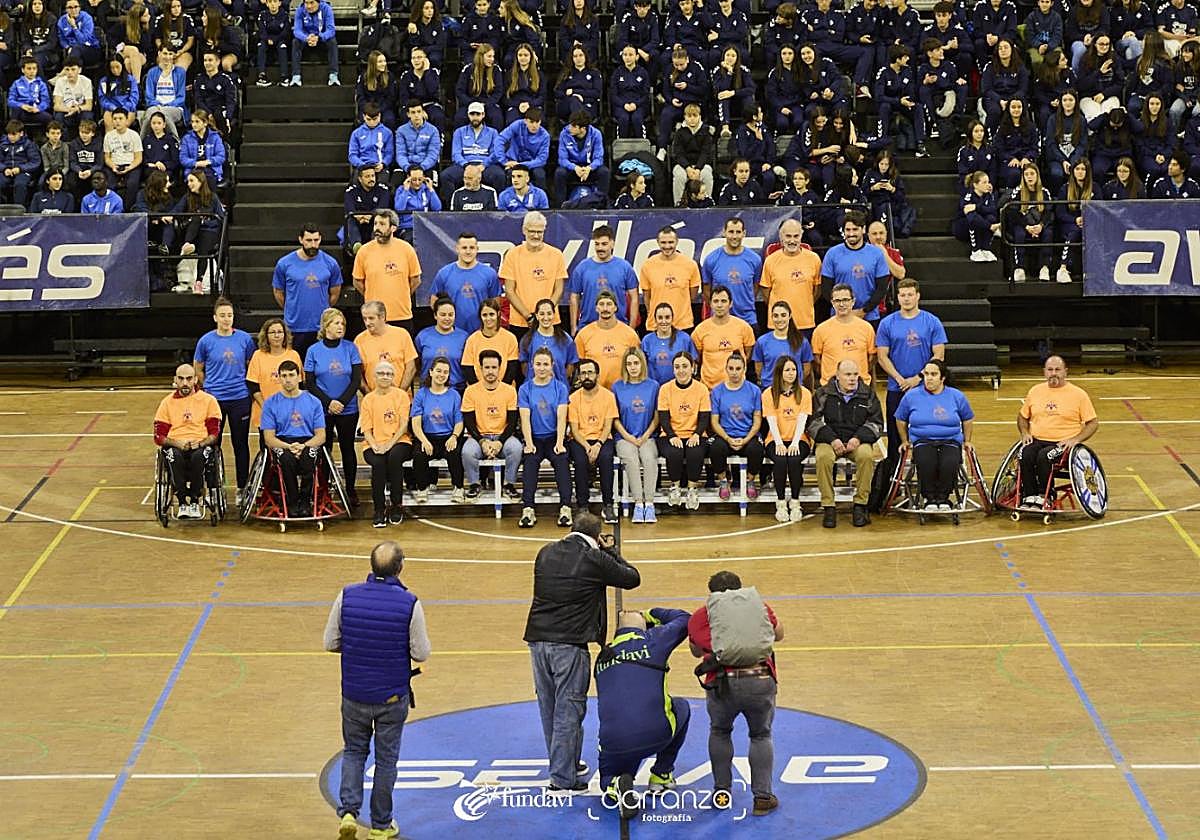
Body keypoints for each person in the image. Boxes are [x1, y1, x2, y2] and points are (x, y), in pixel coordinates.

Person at [523, 511, 641, 791]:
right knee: (569, 709)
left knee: (550, 708)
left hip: (537, 639)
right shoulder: (593, 558)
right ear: (596, 536)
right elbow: (631, 578)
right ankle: (562, 779)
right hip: (570, 643)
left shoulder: (545, 552)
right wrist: (610, 551)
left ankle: (567, 763)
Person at [324, 541, 431, 840]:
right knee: (386, 761)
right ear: (400, 567)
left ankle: (348, 812)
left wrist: (358, 648)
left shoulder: (347, 595)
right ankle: (381, 825)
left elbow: (330, 642)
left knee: (354, 751)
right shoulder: (410, 603)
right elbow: (421, 652)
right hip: (391, 696)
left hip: (354, 693)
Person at [687, 570, 784, 816]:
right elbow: (779, 634)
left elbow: (696, 652)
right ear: (740, 590)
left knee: (720, 732)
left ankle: (722, 791)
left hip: (723, 685)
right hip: (760, 679)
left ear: (712, 594)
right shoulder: (759, 607)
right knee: (761, 735)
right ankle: (762, 797)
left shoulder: (702, 615)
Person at [595, 607, 692, 813]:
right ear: (645, 626)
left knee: (606, 778)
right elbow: (685, 619)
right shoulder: (654, 640)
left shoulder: (602, 658)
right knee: (681, 706)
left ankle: (614, 784)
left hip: (614, 744)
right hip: (656, 735)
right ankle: (661, 774)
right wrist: (650, 614)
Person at [875, 278, 947, 459]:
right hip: (897, 387)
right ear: (898, 297)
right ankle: (894, 473)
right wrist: (900, 379)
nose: (906, 298)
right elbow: (882, 356)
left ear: (918, 296)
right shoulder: (887, 323)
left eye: (910, 294)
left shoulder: (932, 321)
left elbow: (939, 355)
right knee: (894, 437)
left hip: (925, 387)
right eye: (902, 295)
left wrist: (918, 378)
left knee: (926, 433)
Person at [194, 297, 256, 504]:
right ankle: (213, 489)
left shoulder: (245, 339)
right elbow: (198, 368)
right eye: (222, 315)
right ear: (215, 318)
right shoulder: (206, 341)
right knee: (213, 445)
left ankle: (242, 488)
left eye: (229, 315)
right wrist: (209, 388)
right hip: (214, 401)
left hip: (240, 399)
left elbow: (251, 365)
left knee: (241, 444)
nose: (226, 319)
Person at [808, 358, 883, 527]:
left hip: (857, 441)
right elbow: (813, 423)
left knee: (866, 456)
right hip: (830, 440)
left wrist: (858, 438)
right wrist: (832, 439)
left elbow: (876, 423)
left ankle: (860, 505)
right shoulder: (823, 394)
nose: (852, 378)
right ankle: (828, 506)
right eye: (848, 374)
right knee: (823, 457)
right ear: (837, 375)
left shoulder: (868, 394)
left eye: (855, 374)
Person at [1016, 355, 1099, 504]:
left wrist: (1075, 440)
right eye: (1050, 370)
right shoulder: (1035, 391)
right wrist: (1025, 432)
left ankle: (1046, 495)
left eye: (1057, 369)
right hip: (1037, 440)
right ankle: (1030, 495)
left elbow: (1093, 423)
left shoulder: (1078, 394)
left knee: (1044, 456)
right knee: (1024, 453)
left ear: (1065, 371)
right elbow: (1022, 417)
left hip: (1062, 444)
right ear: (1044, 372)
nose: (1053, 373)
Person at [894, 358, 975, 510]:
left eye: (933, 374)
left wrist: (967, 441)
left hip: (950, 440)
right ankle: (930, 498)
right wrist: (904, 440)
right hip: (923, 440)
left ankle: (943, 498)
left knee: (949, 463)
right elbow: (900, 419)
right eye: (926, 374)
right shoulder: (911, 396)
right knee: (926, 461)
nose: (929, 378)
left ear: (942, 378)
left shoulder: (956, 396)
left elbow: (968, 418)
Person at [306, 307, 365, 508]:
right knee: (324, 449)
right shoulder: (313, 350)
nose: (341, 327)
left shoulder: (351, 348)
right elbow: (310, 383)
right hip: (322, 410)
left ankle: (350, 489)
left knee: (348, 448)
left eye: (343, 324)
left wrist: (341, 402)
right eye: (336, 323)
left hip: (348, 409)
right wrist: (328, 403)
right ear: (326, 326)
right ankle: (323, 490)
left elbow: (356, 379)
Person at [153, 363, 221, 519]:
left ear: (195, 380)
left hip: (200, 444)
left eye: (189, 379)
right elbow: (158, 436)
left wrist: (201, 443)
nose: (185, 383)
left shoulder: (209, 401)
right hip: (175, 445)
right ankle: (182, 501)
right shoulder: (166, 403)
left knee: (199, 457)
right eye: (181, 379)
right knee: (173, 456)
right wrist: (176, 443)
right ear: (175, 380)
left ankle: (195, 500)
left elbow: (214, 433)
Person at [260, 359, 326, 516]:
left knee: (309, 457)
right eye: (284, 376)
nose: (288, 379)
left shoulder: (314, 402)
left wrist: (303, 446)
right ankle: (292, 501)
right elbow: (268, 438)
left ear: (299, 377)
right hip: (283, 441)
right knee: (286, 459)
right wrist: (289, 447)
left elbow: (321, 435)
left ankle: (305, 501)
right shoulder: (270, 403)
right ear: (279, 378)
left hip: (307, 440)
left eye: (291, 375)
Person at [517, 347, 573, 527]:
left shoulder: (560, 387)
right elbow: (525, 418)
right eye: (538, 364)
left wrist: (560, 442)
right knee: (530, 461)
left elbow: (562, 417)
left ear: (552, 365)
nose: (542, 368)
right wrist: (528, 443)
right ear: (532, 365)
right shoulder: (525, 389)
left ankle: (565, 508)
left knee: (561, 459)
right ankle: (528, 509)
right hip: (534, 437)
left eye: (545, 364)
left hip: (554, 436)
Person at [272, 225, 344, 358]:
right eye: (309, 240)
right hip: (294, 327)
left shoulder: (331, 263)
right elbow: (278, 292)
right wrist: (291, 308)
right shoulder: (284, 263)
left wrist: (324, 310)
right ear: (301, 240)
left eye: (316, 240)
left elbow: (335, 292)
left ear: (320, 239)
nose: (313, 245)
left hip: (321, 327)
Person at [461, 349, 522, 499]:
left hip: (503, 436)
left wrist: (500, 442)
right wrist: (482, 441)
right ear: (480, 368)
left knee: (516, 448)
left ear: (500, 368)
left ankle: (509, 484)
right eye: (487, 367)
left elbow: (512, 422)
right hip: (479, 437)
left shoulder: (510, 391)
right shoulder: (470, 391)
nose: (490, 371)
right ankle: (475, 484)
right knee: (467, 452)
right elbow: (469, 422)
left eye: (494, 367)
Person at [359, 361, 414, 526]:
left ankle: (396, 505)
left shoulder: (401, 396)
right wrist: (375, 445)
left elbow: (404, 425)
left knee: (394, 457)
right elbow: (366, 429)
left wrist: (389, 444)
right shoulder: (368, 399)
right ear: (374, 376)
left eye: (389, 374)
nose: (385, 377)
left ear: (393, 377)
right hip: (374, 443)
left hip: (399, 441)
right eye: (381, 373)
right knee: (378, 463)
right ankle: (379, 509)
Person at [352, 209, 423, 331]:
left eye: (382, 224)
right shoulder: (364, 251)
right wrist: (371, 295)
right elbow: (357, 282)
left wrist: (401, 294)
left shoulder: (407, 249)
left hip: (401, 315)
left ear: (393, 228)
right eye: (375, 223)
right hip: (373, 317)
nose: (377, 228)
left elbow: (416, 280)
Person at [499, 210, 568, 335]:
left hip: (550, 321)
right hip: (520, 322)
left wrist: (545, 314)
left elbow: (559, 289)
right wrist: (528, 316)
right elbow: (509, 290)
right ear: (524, 230)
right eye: (532, 231)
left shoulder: (556, 254)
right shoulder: (512, 255)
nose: (536, 236)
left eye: (539, 232)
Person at [613, 347, 661, 524]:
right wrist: (629, 437)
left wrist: (645, 436)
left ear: (642, 364)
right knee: (631, 460)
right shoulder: (617, 387)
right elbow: (614, 418)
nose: (633, 367)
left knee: (649, 458)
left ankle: (650, 504)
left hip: (648, 436)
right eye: (629, 364)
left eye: (636, 363)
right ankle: (638, 504)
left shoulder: (653, 386)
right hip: (624, 437)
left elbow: (657, 416)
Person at [657, 352, 710, 510]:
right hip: (670, 434)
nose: (681, 370)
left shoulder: (701, 389)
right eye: (677, 367)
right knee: (674, 452)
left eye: (685, 366)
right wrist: (672, 435)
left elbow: (704, 417)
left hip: (695, 433)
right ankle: (675, 488)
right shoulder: (665, 389)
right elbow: (663, 417)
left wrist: (697, 434)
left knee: (695, 451)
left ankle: (692, 489)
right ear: (673, 369)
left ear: (693, 368)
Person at [567, 358, 619, 521]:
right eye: (583, 373)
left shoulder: (608, 396)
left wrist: (597, 445)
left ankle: (608, 504)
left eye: (590, 372)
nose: (587, 376)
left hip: (602, 438)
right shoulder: (573, 398)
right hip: (580, 439)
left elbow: (608, 426)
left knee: (606, 458)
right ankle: (583, 506)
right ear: (579, 377)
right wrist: (587, 447)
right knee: (580, 461)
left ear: (597, 375)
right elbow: (574, 429)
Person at [709, 352, 765, 502]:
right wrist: (728, 438)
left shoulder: (754, 391)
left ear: (744, 369)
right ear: (726, 369)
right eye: (731, 368)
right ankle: (723, 481)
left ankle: (750, 481)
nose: (734, 372)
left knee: (756, 450)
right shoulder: (717, 391)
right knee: (716, 449)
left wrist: (746, 439)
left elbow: (757, 420)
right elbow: (714, 421)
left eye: (738, 368)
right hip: (725, 435)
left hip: (747, 435)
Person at [763, 357, 813, 522]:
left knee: (794, 459)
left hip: (799, 439)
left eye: (793, 370)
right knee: (779, 460)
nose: (791, 373)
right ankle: (781, 502)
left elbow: (802, 420)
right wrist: (778, 442)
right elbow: (771, 420)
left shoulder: (805, 393)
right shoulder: (769, 394)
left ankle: (795, 501)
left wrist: (795, 442)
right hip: (775, 439)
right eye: (787, 370)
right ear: (779, 372)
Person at [410, 357, 466, 503]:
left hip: (448, 436)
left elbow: (459, 421)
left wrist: (454, 436)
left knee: (455, 453)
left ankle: (458, 487)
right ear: (431, 372)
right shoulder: (421, 394)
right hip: (427, 436)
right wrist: (424, 440)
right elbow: (416, 423)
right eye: (438, 371)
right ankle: (422, 488)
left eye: (445, 372)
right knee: (419, 454)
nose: (442, 375)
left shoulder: (454, 395)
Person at [821, 211, 892, 323]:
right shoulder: (832, 254)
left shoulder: (876, 254)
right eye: (848, 230)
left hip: (869, 317)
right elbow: (826, 288)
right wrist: (843, 309)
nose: (851, 233)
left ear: (863, 229)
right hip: (839, 317)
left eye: (855, 229)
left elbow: (882, 288)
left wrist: (864, 311)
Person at [428, 232, 502, 334]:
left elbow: (496, 304)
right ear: (457, 248)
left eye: (471, 248)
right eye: (464, 248)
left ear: (477, 249)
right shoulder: (444, 273)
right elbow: (434, 302)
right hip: (453, 332)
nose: (468, 251)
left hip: (481, 332)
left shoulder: (490, 274)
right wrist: (446, 323)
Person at [568, 225, 639, 332]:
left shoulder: (625, 267)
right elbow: (574, 297)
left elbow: (634, 297)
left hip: (618, 327)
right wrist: (573, 326)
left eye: (604, 244)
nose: (600, 248)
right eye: (597, 244)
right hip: (588, 327)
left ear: (612, 244)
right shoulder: (582, 268)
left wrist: (632, 327)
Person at [759, 219, 823, 333]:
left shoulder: (814, 259)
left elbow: (817, 290)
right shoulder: (770, 261)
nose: (792, 240)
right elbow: (766, 293)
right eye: (788, 236)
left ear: (801, 236)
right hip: (778, 324)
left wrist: (805, 304)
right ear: (781, 237)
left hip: (805, 323)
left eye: (796, 236)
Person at [701, 217, 763, 331]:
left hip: (747, 320)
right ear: (724, 232)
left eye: (738, 232)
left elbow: (755, 287)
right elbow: (706, 290)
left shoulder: (755, 260)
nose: (734, 236)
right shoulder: (711, 260)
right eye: (731, 232)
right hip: (720, 321)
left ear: (744, 233)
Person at [246, 318, 303, 441]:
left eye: (280, 332)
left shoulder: (293, 355)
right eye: (272, 332)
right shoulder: (258, 355)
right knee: (268, 448)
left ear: (285, 335)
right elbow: (253, 385)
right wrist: (267, 407)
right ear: (266, 335)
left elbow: (300, 384)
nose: (277, 336)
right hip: (265, 412)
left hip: (290, 413)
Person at [691, 286, 756, 389]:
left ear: (731, 303)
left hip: (737, 388)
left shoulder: (744, 327)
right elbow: (697, 358)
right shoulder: (700, 330)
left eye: (723, 301)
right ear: (710, 304)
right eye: (716, 301)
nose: (719, 305)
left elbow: (748, 356)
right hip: (709, 389)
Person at [812, 284, 877, 385]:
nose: (841, 304)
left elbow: (872, 358)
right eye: (837, 301)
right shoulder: (821, 330)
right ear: (832, 303)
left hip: (860, 386)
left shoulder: (867, 328)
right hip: (830, 387)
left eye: (845, 300)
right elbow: (816, 361)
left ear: (853, 301)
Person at [639, 227, 702, 331]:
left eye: (671, 242)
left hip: (683, 325)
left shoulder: (690, 265)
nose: (667, 246)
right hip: (656, 325)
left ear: (677, 241)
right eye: (663, 242)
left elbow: (692, 295)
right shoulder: (648, 265)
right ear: (658, 242)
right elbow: (647, 297)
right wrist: (655, 316)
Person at [573, 291, 640, 388]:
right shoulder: (583, 335)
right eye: (601, 304)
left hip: (623, 390)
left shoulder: (630, 334)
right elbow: (578, 367)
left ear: (615, 308)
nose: (605, 308)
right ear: (596, 308)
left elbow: (637, 365)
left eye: (609, 304)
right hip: (594, 391)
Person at [753, 301, 814, 390]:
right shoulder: (762, 341)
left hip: (794, 390)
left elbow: (806, 369)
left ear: (790, 316)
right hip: (769, 388)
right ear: (771, 317)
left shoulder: (802, 341)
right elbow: (758, 369)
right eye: (776, 316)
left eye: (783, 315)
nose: (779, 319)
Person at [555, 109, 609, 201]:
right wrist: (575, 168)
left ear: (583, 128)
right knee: (559, 173)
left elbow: (599, 158)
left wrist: (589, 168)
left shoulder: (596, 134)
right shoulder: (564, 134)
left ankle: (601, 203)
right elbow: (562, 159)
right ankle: (561, 205)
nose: (570, 128)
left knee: (604, 172)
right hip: (572, 168)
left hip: (589, 168)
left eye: (574, 126)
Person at [463, 298, 521, 383]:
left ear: (498, 314)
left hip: (505, 387)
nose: (488, 318)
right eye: (484, 315)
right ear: (480, 317)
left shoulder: (510, 338)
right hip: (478, 388)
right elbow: (468, 368)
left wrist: (499, 388)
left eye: (491, 314)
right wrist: (480, 388)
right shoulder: (472, 340)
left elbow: (512, 367)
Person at [641, 303, 697, 384]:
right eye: (660, 318)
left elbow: (693, 363)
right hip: (655, 387)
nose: (664, 321)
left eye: (667, 317)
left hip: (678, 387)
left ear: (672, 318)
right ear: (655, 319)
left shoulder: (684, 338)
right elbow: (642, 366)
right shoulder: (647, 340)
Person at [291, 0, 340, 86]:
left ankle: (333, 75)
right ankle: (296, 76)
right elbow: (297, 30)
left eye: (311, 2)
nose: (309, 6)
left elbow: (331, 30)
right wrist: (306, 38)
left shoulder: (326, 8)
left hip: (321, 38)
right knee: (295, 42)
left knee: (332, 41)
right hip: (306, 39)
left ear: (318, 2)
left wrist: (319, 37)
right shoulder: (300, 10)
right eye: (306, 3)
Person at [101, 107, 141, 206]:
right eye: (115, 119)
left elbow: (139, 158)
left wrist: (129, 167)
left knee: (132, 183)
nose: (117, 121)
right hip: (113, 165)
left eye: (120, 118)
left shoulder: (134, 135)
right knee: (109, 184)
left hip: (131, 165)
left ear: (126, 120)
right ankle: (112, 208)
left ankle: (128, 208)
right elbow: (107, 157)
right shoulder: (108, 136)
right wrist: (113, 166)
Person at [0, 121, 40, 207]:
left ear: (21, 133)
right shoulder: (3, 144)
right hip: (6, 171)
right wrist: (4, 169)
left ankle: (19, 209)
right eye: (9, 134)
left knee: (20, 185)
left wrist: (20, 168)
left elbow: (35, 162)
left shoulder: (28, 144)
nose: (11, 137)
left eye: (14, 134)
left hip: (23, 171)